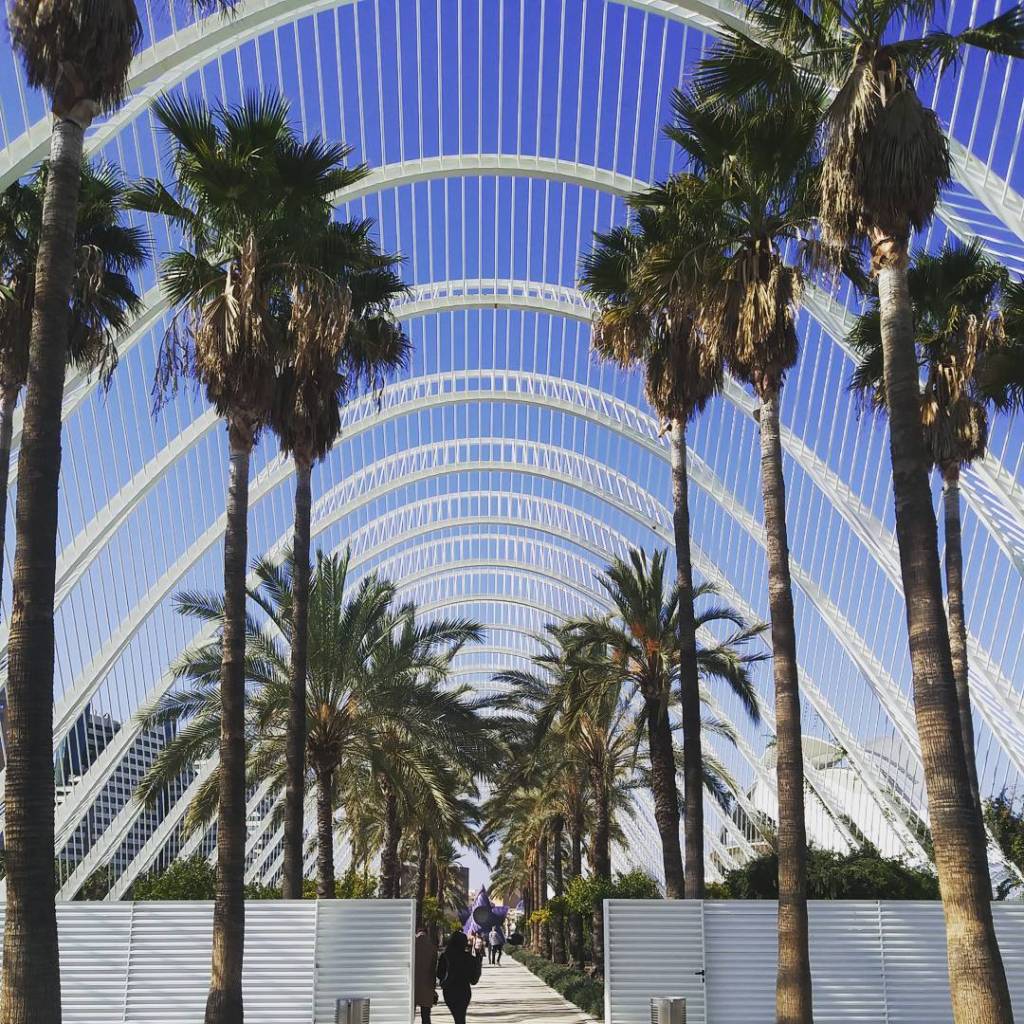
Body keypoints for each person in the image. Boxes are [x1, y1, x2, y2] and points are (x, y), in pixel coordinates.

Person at [437, 930, 483, 1024]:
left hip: (449, 990)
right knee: (460, 1016)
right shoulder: (468, 957)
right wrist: (477, 959)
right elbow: (473, 979)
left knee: (458, 1017)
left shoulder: (445, 956)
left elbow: (439, 973)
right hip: (464, 991)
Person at [414, 925, 438, 1023]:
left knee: (409, 1014)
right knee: (426, 1016)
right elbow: (434, 968)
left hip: (412, 985)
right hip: (427, 985)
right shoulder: (432, 946)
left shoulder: (412, 944)